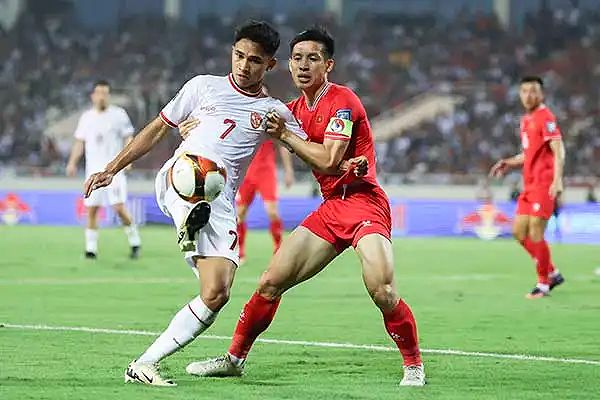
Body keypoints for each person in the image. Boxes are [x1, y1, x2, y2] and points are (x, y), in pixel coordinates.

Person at [83, 21, 359, 387]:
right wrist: (111, 168)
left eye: (255, 61)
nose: (244, 66)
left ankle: (145, 364)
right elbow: (157, 127)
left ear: (270, 66)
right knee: (201, 171)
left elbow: (318, 151)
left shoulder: (273, 112)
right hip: (181, 174)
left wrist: (348, 164)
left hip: (221, 200)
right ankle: (188, 219)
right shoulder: (201, 87)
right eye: (239, 56)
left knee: (217, 293)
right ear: (232, 52)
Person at [185, 28, 426, 387]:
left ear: (328, 65)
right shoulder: (293, 111)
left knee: (382, 289)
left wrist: (288, 137)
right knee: (269, 282)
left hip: (364, 205)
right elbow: (240, 123)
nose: (302, 65)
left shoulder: (342, 101)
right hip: (331, 209)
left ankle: (413, 366)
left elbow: (328, 158)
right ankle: (234, 359)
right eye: (296, 58)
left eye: (312, 58)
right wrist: (197, 125)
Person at [490, 76, 565, 299]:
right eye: (524, 91)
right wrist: (508, 162)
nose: (528, 95)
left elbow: (559, 149)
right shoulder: (526, 120)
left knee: (535, 232)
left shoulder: (546, 117)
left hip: (544, 184)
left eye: (533, 91)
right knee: (518, 232)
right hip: (529, 185)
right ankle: (552, 271)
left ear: (541, 94)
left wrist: (557, 179)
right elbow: (529, 153)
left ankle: (543, 284)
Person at [66, 80, 141, 259]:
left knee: (118, 208)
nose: (102, 96)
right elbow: (79, 142)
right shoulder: (86, 117)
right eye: (98, 93)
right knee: (92, 209)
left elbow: (128, 137)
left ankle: (135, 241)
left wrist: (128, 160)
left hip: (114, 171)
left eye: (105, 93)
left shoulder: (118, 115)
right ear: (93, 96)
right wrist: (72, 162)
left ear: (108, 95)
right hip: (92, 171)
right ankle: (91, 249)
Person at [236, 140, 295, 262]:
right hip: (247, 172)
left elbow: (283, 145)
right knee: (240, 214)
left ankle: (279, 248)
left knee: (272, 212)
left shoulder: (269, 123)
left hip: (266, 172)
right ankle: (240, 251)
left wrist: (288, 170)